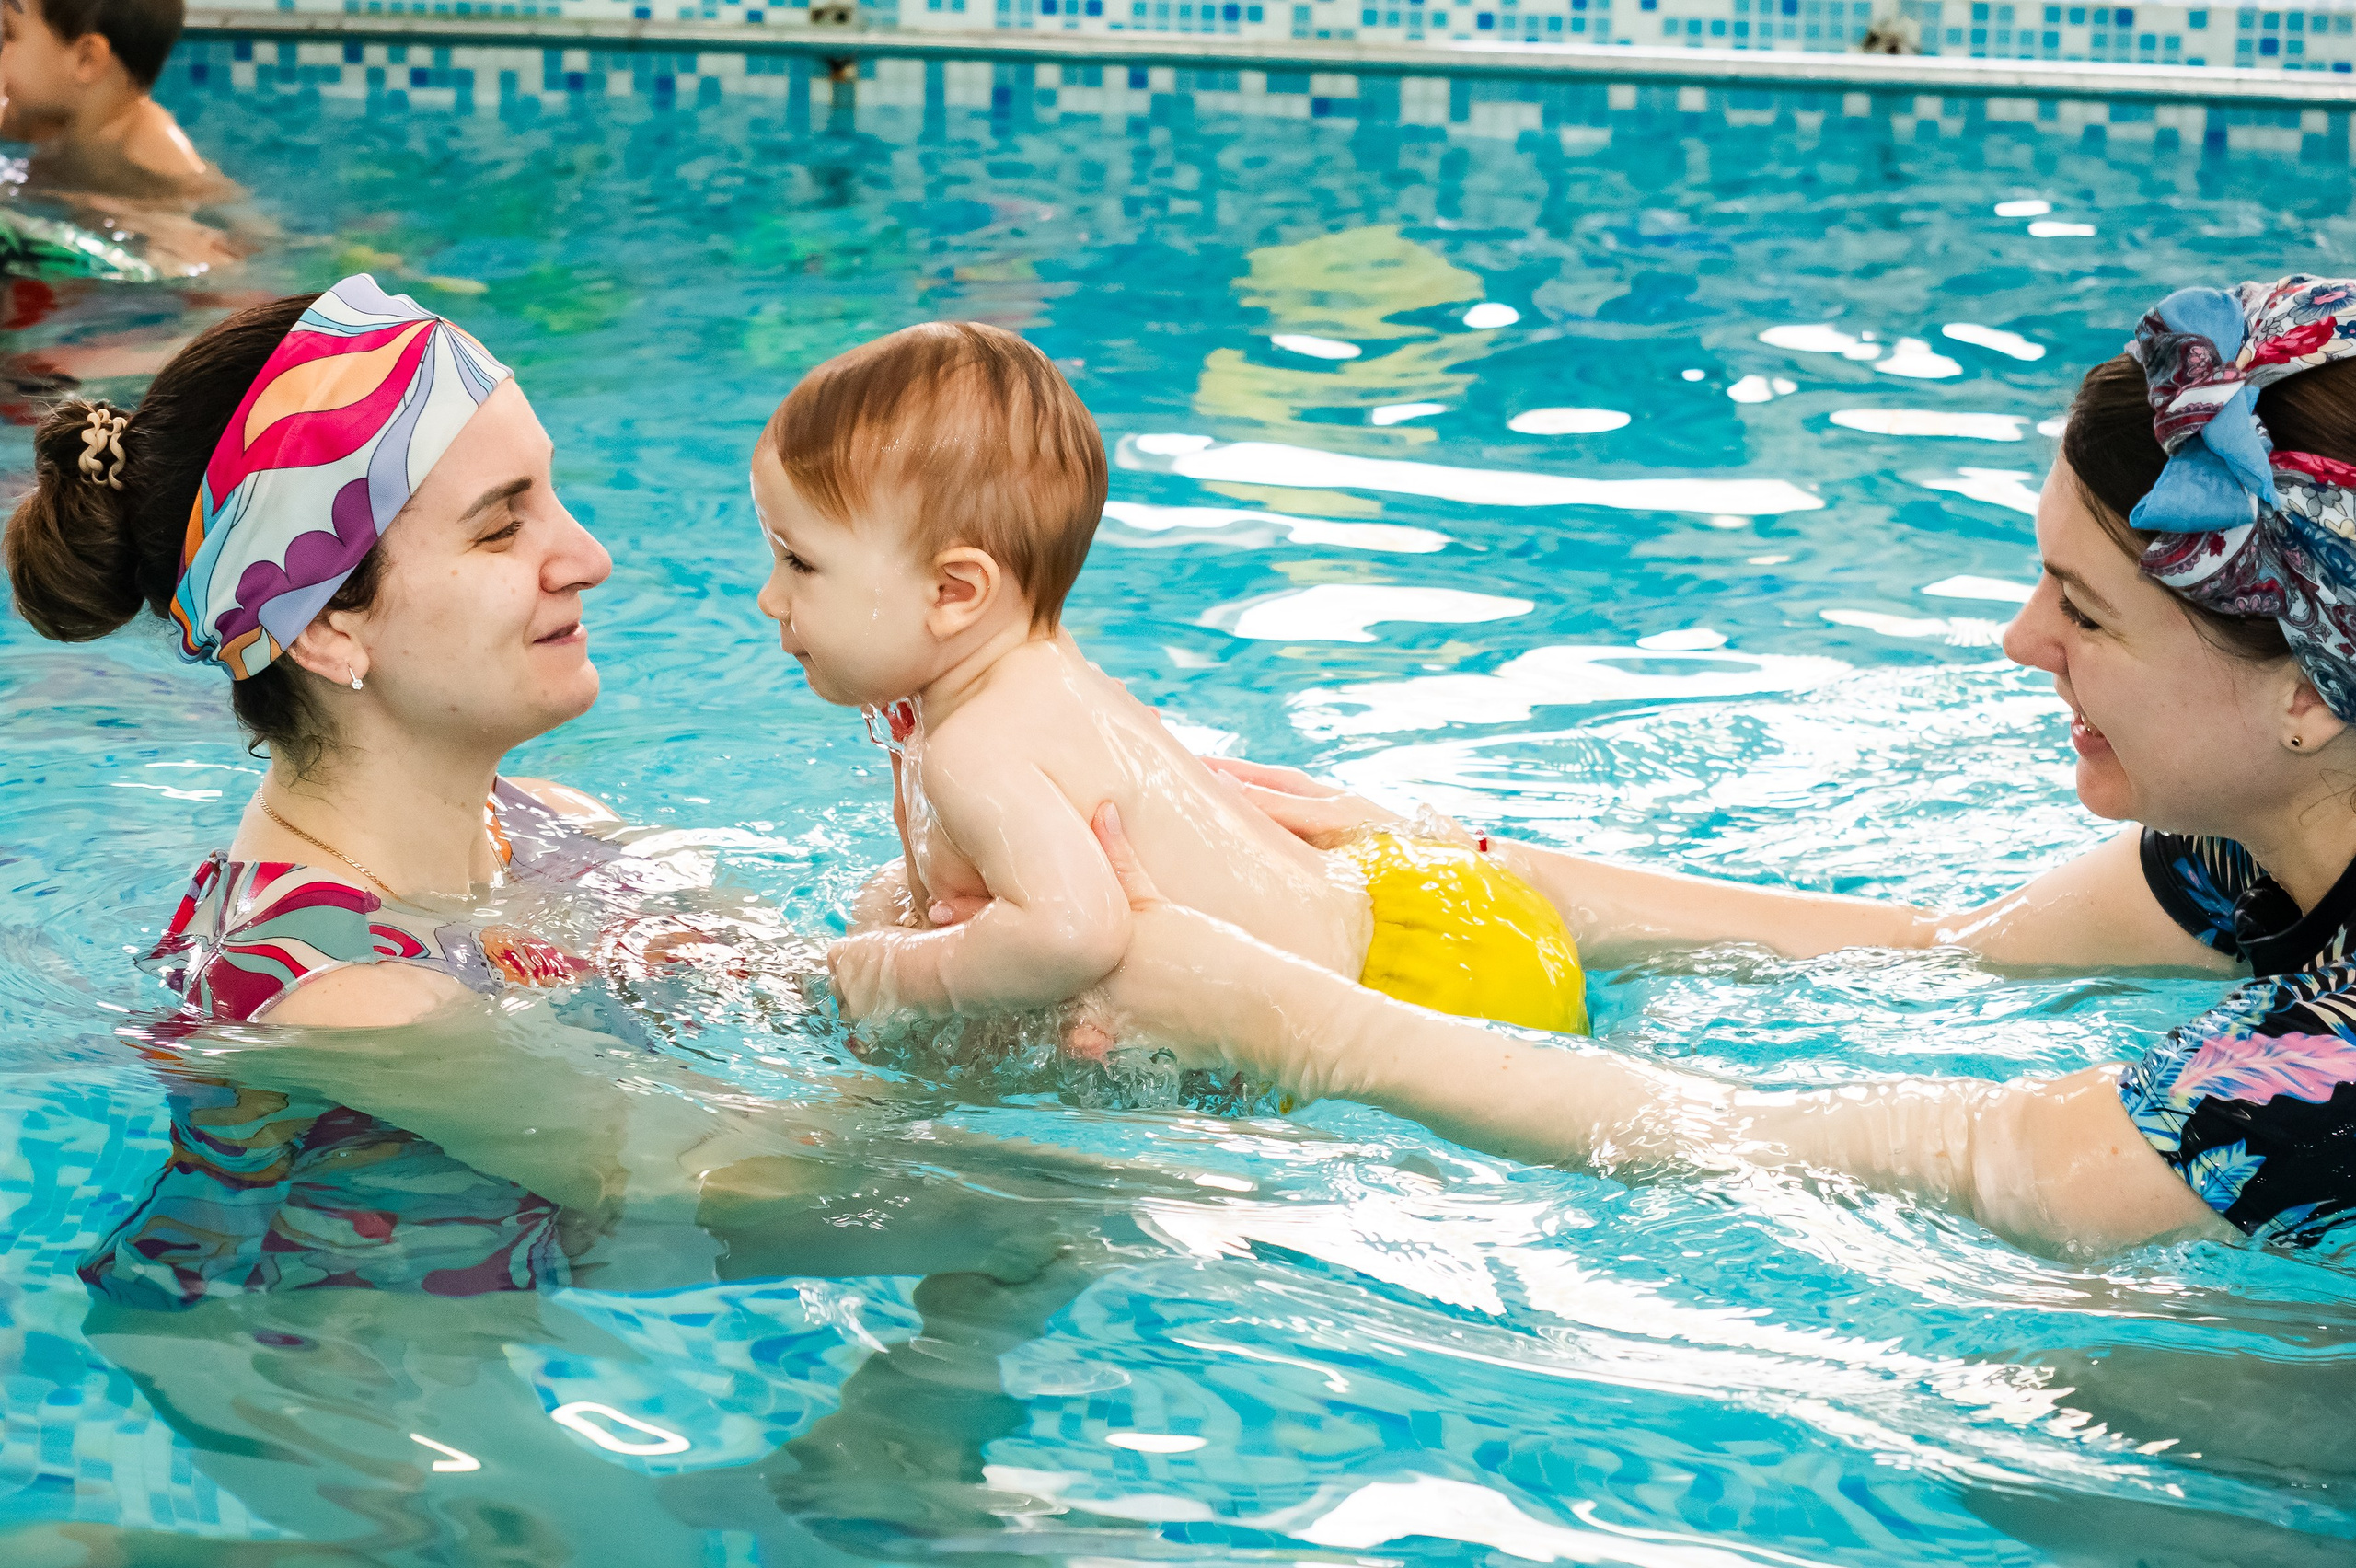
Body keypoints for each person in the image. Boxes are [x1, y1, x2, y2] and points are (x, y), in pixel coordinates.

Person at [1, 280, 1150, 1555]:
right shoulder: (349, 994)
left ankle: (885, 1460)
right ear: (329, 625)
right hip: (327, 1386)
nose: (588, 554)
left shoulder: (548, 821)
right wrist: (1020, 1063)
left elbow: (811, 1000)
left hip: (529, 1260)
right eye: (505, 529)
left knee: (1040, 1222)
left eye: (549, 492)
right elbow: (719, 1174)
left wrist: (973, 918)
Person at [1064, 273, 2356, 1261]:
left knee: (2096, 1388)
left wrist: (1313, 1034)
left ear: (2304, 690)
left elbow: (1970, 1160)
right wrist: (1449, 861)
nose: (2020, 641)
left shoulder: (2331, 1060)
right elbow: (1941, 945)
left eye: (2083, 612)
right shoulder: (2261, 840)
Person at [755, 321, 1588, 1041]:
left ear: (954, 593)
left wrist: (888, 976)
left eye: (799, 562)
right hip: (1441, 910)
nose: (771, 598)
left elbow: (1071, 935)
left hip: (1424, 1000)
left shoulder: (975, 750)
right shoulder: (1045, 680)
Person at [0, 0, 221, 202]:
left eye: (10, 34)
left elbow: (187, 230)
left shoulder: (149, 141)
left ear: (86, 60)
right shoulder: (52, 127)